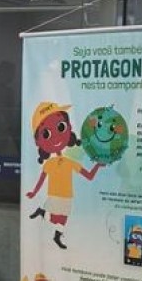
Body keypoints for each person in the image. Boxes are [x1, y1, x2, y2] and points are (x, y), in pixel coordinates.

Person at [25, 102, 103, 249]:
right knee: (57, 219)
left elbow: (89, 176)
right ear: (39, 143)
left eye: (60, 127)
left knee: (61, 220)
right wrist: (34, 192)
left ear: (69, 128)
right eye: (46, 134)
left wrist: (97, 166)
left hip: (66, 196)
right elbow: (42, 179)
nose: (55, 137)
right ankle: (44, 214)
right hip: (56, 195)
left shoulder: (69, 162)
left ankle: (52, 228)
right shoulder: (51, 163)